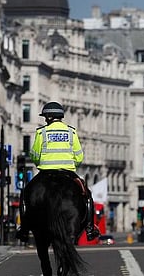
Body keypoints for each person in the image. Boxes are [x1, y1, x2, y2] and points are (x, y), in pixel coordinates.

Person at [17, 101, 100, 242]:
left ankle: (24, 229)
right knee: (87, 196)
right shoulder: (71, 131)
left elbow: (35, 155)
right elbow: (79, 155)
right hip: (67, 171)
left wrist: (40, 163)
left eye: (45, 117)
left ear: (49, 117)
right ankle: (90, 227)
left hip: (45, 172)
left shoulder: (41, 132)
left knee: (26, 194)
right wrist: (71, 164)